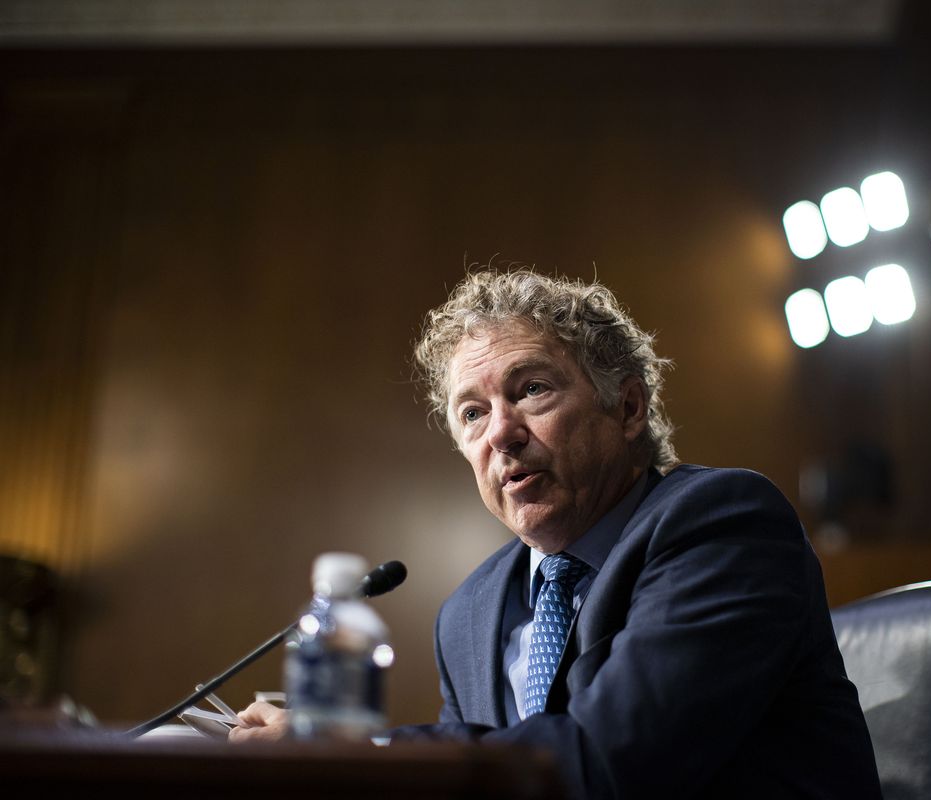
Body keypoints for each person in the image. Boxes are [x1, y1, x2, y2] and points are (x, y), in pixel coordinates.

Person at [233, 269, 882, 799]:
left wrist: (360, 755)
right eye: (472, 413)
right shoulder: (468, 614)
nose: (501, 434)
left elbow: (611, 761)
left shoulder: (723, 524)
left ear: (628, 408)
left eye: (533, 390)